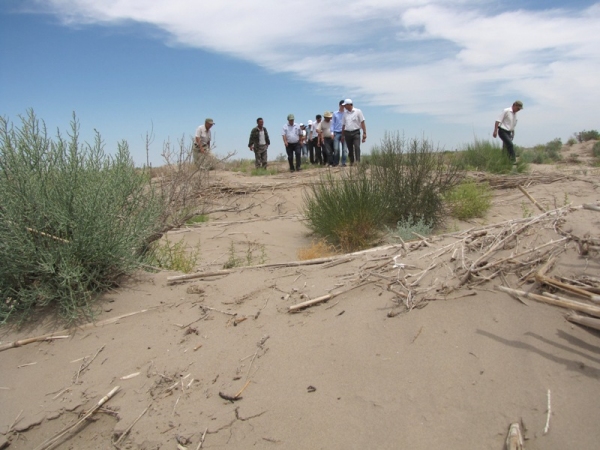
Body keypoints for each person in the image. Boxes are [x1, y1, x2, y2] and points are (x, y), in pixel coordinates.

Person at [341, 99, 367, 165]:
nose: (344, 107)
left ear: (349, 105)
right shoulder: (344, 114)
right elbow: (343, 125)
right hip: (347, 133)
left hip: (356, 132)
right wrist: (342, 135)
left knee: (357, 146)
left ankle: (357, 161)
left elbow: (362, 122)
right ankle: (352, 161)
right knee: (350, 148)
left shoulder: (358, 111)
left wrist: (364, 133)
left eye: (345, 105)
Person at [332, 100, 347, 166]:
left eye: (344, 105)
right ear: (340, 105)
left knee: (344, 149)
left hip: (345, 132)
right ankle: (336, 162)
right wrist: (332, 133)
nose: (343, 106)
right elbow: (332, 123)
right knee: (336, 149)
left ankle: (343, 162)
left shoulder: (346, 113)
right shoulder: (335, 113)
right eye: (342, 105)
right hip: (336, 132)